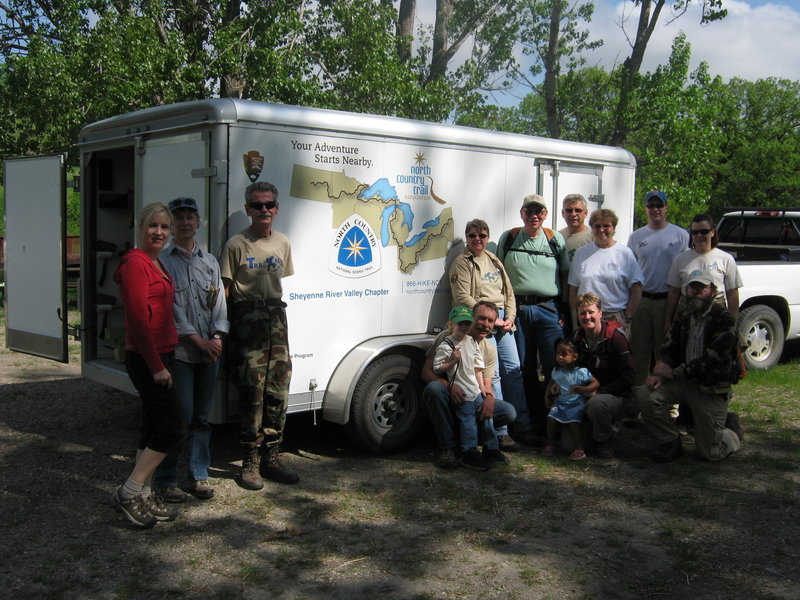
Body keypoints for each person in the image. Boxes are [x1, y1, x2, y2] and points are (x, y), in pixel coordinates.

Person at [110, 202, 185, 528]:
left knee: (153, 427)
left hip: (162, 354)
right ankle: (129, 492)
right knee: (172, 428)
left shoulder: (156, 263)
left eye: (164, 227)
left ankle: (143, 494)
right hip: (146, 357)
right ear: (141, 228)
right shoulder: (135, 263)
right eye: (153, 226)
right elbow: (139, 321)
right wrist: (156, 366)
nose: (159, 232)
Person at [220, 181, 298, 490]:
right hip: (247, 319)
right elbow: (226, 291)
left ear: (277, 209)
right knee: (252, 389)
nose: (263, 210)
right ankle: (250, 460)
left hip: (277, 319)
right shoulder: (236, 244)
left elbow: (282, 281)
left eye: (268, 205)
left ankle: (272, 456)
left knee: (279, 387)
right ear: (248, 209)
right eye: (257, 205)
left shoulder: (282, 242)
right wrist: (223, 330)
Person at [152, 197, 229, 502]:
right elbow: (171, 311)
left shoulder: (209, 262)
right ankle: (166, 478)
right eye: (179, 218)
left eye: (190, 217)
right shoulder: (163, 262)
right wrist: (198, 341)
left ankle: (199, 475)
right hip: (182, 354)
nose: (185, 222)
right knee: (179, 416)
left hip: (210, 353)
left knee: (201, 418)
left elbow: (220, 303)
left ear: (199, 222)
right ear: (173, 226)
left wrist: (218, 337)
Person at [636, 274, 743, 462]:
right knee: (645, 395)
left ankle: (730, 430)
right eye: (691, 288)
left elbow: (712, 361)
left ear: (712, 291)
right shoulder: (684, 316)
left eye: (701, 289)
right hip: (684, 383)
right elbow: (669, 348)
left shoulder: (724, 320)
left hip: (710, 387)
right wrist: (659, 373)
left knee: (710, 454)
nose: (696, 293)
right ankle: (670, 441)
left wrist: (675, 372)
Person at [449, 218, 535, 451]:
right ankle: (500, 432)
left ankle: (523, 427)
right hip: (483, 324)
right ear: (467, 238)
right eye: (473, 235)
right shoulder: (461, 263)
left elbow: (509, 292)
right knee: (492, 376)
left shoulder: (494, 259)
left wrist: (510, 318)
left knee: (514, 372)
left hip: (503, 322)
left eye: (482, 235)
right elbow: (463, 298)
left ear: (488, 238)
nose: (478, 239)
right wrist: (492, 319)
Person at [496, 194, 569, 436]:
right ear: (522, 213)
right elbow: (498, 275)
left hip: (549, 310)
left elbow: (566, 277)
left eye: (539, 211)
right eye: (529, 211)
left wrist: (565, 309)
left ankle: (556, 420)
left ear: (546, 214)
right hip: (519, 309)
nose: (534, 216)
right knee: (524, 367)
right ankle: (528, 421)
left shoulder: (555, 239)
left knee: (552, 365)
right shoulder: (509, 238)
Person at [422, 301, 517, 469]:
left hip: (473, 395)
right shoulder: (447, 337)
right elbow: (427, 371)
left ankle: (483, 446)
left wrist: (489, 397)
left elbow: (486, 383)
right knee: (434, 389)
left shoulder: (488, 348)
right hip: (450, 397)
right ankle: (448, 448)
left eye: (490, 321)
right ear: (472, 318)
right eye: (481, 319)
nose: (485, 325)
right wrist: (448, 386)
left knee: (507, 411)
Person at [627, 190, 690, 385]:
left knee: (664, 352)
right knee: (639, 352)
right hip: (642, 301)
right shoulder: (636, 237)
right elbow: (630, 271)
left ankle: (667, 404)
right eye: (651, 205)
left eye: (659, 205)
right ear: (645, 209)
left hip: (667, 301)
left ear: (666, 208)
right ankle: (637, 400)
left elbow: (685, 271)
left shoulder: (680, 235)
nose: (655, 209)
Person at [432, 305, 500, 470]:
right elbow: (435, 368)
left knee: (489, 416)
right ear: (451, 324)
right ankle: (468, 452)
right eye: (460, 323)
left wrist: (485, 392)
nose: (464, 326)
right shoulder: (446, 342)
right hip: (461, 391)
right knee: (468, 418)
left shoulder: (473, 342)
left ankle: (491, 449)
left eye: (466, 323)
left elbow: (478, 368)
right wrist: (452, 363)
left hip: (475, 389)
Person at [572, 293, 636, 458]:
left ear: (600, 313)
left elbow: (629, 377)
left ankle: (604, 439)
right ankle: (592, 430)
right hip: (585, 393)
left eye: (591, 312)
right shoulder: (577, 337)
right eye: (582, 313)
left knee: (597, 404)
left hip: (615, 396)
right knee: (568, 444)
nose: (587, 317)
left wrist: (600, 391)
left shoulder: (616, 337)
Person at [568, 208, 643, 337]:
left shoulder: (624, 253)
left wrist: (627, 317)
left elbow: (636, 288)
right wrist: (576, 320)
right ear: (592, 228)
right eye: (597, 226)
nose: (601, 229)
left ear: (614, 228)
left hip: (615, 317)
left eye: (606, 226)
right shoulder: (581, 253)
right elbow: (573, 289)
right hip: (587, 317)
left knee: (616, 356)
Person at [664, 213, 742, 329]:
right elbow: (674, 292)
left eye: (704, 231)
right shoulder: (680, 259)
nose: (699, 235)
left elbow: (732, 294)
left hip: (716, 313)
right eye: (695, 232)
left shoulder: (726, 259)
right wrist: (667, 321)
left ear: (712, 232)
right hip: (687, 314)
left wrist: (732, 324)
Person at [543, 338, 599, 460]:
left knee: (574, 423)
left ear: (574, 357)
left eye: (564, 354)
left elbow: (595, 383)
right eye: (558, 353)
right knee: (551, 419)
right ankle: (550, 444)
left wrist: (584, 389)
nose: (560, 357)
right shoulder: (557, 371)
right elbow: (550, 383)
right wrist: (547, 396)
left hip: (576, 403)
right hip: (560, 402)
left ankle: (579, 449)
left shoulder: (581, 371)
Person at [558, 193, 593, 264]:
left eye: (578, 210)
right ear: (562, 213)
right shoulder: (557, 236)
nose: (573, 214)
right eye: (569, 210)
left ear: (585, 213)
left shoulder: (593, 236)